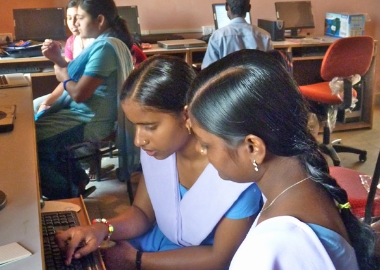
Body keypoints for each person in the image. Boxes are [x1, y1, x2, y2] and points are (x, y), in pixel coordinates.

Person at [55, 55, 262, 270]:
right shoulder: (159, 152)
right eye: (136, 126)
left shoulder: (235, 174)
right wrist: (102, 228)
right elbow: (142, 214)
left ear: (186, 115)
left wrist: (135, 260)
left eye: (150, 126)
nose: (139, 140)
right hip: (155, 246)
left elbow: (220, 258)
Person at [187, 49, 380, 270]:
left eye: (206, 144)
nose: (200, 151)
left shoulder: (268, 250)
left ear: (253, 147)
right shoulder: (307, 181)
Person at [35, 0, 134, 200]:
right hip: (88, 115)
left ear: (99, 20)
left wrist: (63, 74)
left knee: (31, 144)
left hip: (91, 121)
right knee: (32, 126)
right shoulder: (104, 42)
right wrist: (60, 62)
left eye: (80, 18)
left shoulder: (105, 47)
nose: (75, 24)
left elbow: (79, 94)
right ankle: (78, 179)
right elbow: (76, 76)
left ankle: (65, 193)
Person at [201, 0, 273, 69]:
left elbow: (207, 71)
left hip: (228, 81)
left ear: (226, 6)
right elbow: (271, 68)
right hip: (257, 81)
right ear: (249, 8)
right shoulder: (265, 36)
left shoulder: (218, 37)